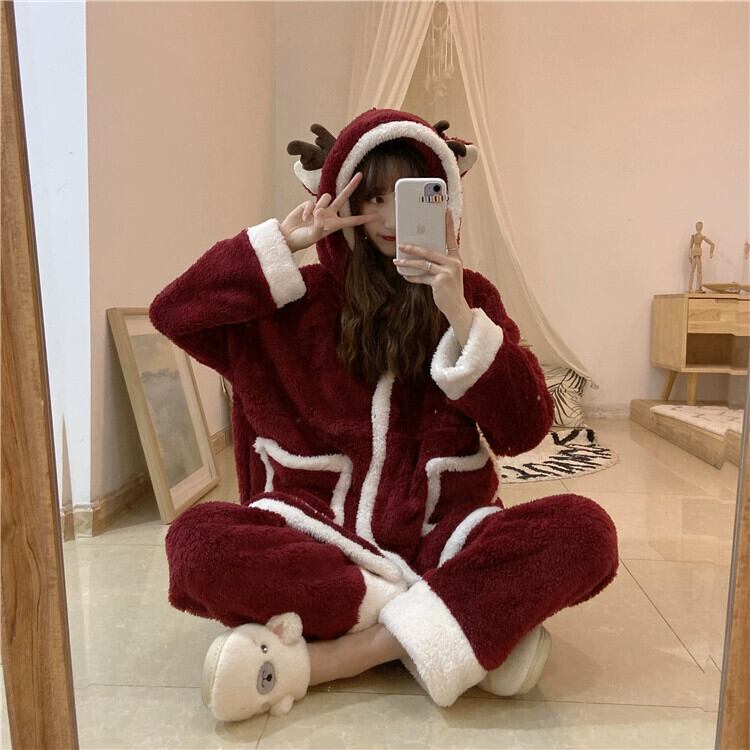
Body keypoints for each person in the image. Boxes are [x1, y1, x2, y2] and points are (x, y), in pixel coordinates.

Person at [149, 108, 619, 722]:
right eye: (373, 197)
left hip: (442, 536)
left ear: (443, 201)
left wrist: (460, 315)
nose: (394, 219)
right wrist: (281, 245)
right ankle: (456, 627)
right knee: (198, 545)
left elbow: (524, 430)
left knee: (586, 532)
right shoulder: (298, 300)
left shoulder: (471, 296)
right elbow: (173, 314)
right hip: (319, 534)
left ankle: (337, 657)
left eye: (411, 195)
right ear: (343, 200)